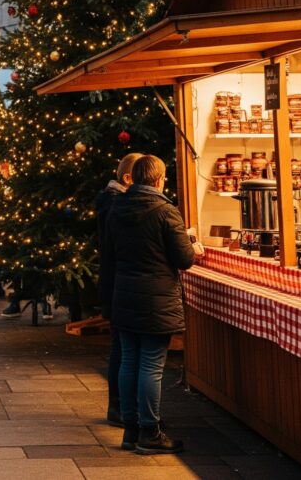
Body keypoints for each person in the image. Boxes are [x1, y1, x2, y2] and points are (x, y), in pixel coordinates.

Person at [105, 154, 200, 455]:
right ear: (159, 180)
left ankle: (130, 430)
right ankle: (150, 431)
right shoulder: (165, 211)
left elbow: (111, 250)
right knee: (150, 366)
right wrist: (191, 245)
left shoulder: (117, 207)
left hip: (125, 293)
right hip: (156, 298)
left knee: (129, 361)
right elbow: (184, 259)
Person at [96, 151, 142, 425]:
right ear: (127, 178)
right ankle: (120, 407)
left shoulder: (111, 202)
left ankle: (121, 407)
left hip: (114, 282)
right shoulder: (117, 205)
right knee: (123, 349)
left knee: (121, 348)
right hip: (119, 283)